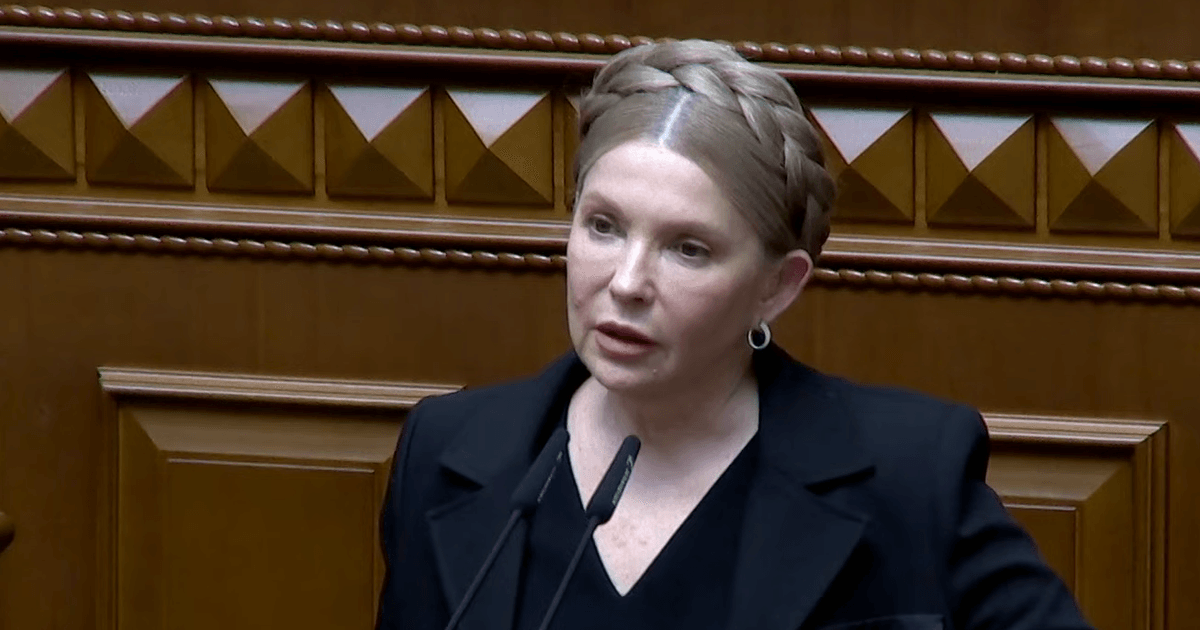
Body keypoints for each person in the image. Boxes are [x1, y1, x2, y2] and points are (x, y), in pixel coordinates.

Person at [375, 39, 1093, 630]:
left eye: (688, 249)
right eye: (604, 226)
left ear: (777, 286)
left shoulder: (910, 476)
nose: (627, 282)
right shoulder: (445, 453)